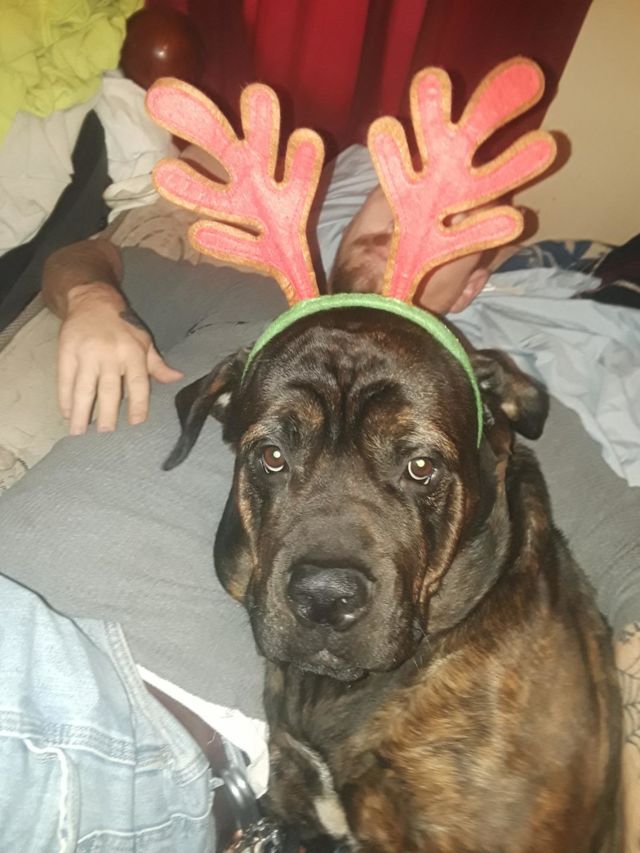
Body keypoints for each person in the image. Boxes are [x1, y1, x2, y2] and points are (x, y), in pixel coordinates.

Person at [0, 143, 638, 850]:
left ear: (471, 285)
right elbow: (85, 256)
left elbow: (632, 564)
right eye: (385, 205)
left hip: (113, 728)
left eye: (418, 465)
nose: (401, 229)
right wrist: (90, 301)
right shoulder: (238, 305)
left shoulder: (478, 401)